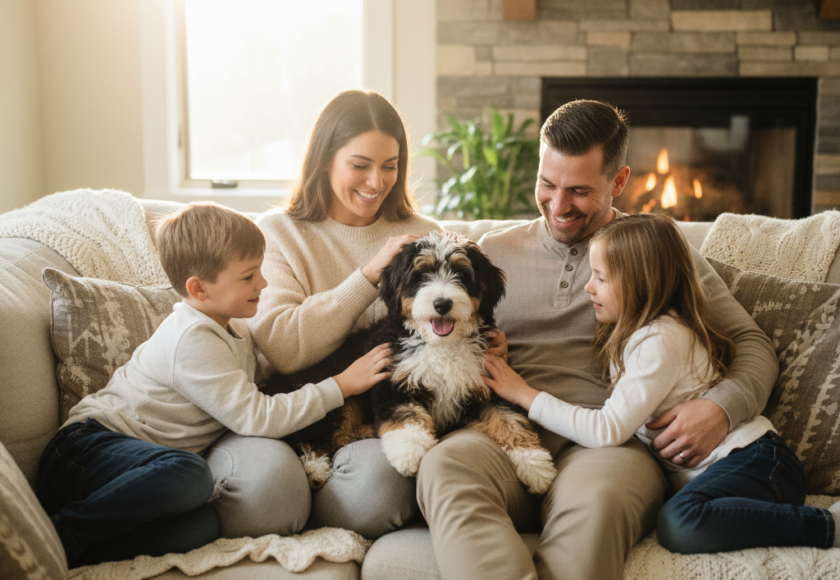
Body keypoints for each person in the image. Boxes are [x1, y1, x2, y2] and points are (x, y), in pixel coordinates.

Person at [414, 99, 780, 580]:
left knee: (600, 502)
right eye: (547, 184)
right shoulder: (488, 256)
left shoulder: (654, 254)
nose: (559, 206)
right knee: (443, 468)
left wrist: (721, 407)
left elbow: (752, 343)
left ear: (620, 182)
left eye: (579, 191)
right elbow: (425, 328)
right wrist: (473, 343)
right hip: (503, 432)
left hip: (608, 447)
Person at [35, 202, 392, 566]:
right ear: (199, 288)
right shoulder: (192, 338)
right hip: (85, 453)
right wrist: (341, 385)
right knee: (190, 474)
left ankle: (76, 553)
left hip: (137, 467)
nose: (264, 284)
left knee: (202, 527)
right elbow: (257, 417)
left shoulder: (232, 324)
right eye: (249, 276)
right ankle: (55, 535)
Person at [484, 212, 840, 553]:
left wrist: (525, 394)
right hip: (729, 474)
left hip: (757, 463)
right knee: (682, 515)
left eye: (601, 278)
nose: (589, 287)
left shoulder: (660, 341)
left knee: (680, 522)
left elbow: (606, 430)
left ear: (641, 283)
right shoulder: (636, 332)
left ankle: (828, 526)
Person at [246, 89, 450, 538]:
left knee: (379, 493)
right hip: (292, 407)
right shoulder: (279, 234)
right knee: (267, 498)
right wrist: (367, 277)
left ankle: (325, 500)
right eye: (360, 165)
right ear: (324, 160)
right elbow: (282, 348)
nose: (377, 182)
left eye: (390, 166)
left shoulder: (423, 235)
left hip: (379, 415)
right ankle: (302, 492)